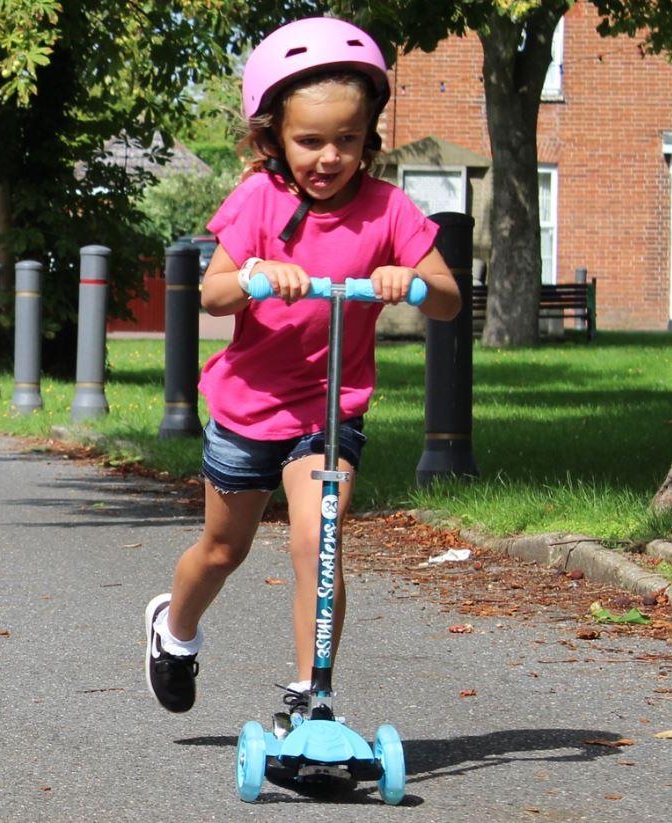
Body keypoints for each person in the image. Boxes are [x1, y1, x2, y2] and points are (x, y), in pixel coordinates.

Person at [145, 17, 461, 718]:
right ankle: (176, 629)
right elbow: (214, 292)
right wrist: (258, 272)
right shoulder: (259, 199)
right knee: (222, 550)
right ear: (274, 140)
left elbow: (446, 299)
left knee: (318, 539)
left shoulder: (389, 210)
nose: (328, 157)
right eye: (309, 141)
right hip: (248, 407)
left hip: (328, 411)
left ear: (367, 137)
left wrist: (401, 279)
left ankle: (310, 690)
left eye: (345, 140)